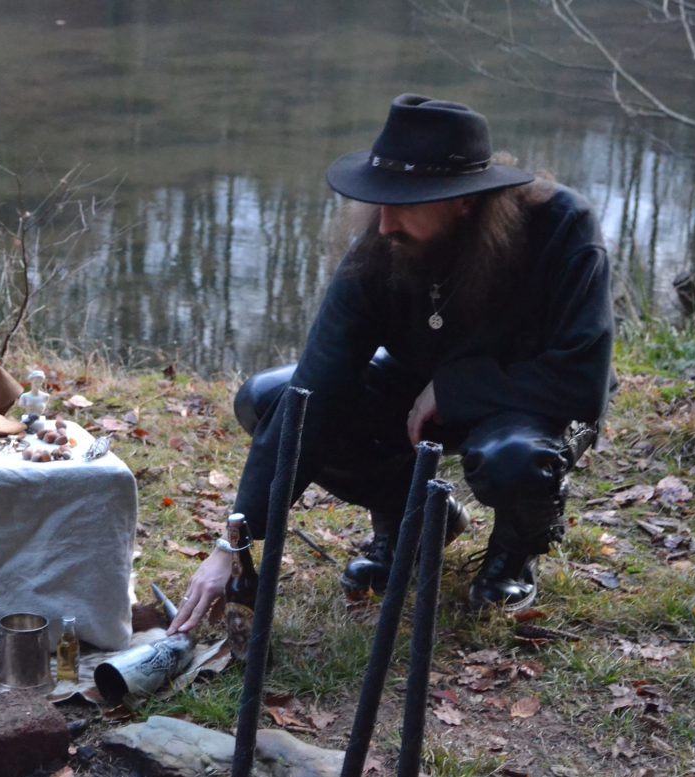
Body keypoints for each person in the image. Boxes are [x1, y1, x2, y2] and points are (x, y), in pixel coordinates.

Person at [168, 94, 614, 635]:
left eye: (403, 204)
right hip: (413, 390)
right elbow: (317, 386)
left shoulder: (563, 227)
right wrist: (233, 540)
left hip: (530, 398)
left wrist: (453, 389)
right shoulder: (383, 248)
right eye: (380, 203)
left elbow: (581, 382)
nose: (384, 224)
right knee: (269, 400)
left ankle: (512, 554)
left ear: (465, 201)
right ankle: (415, 521)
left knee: (514, 458)